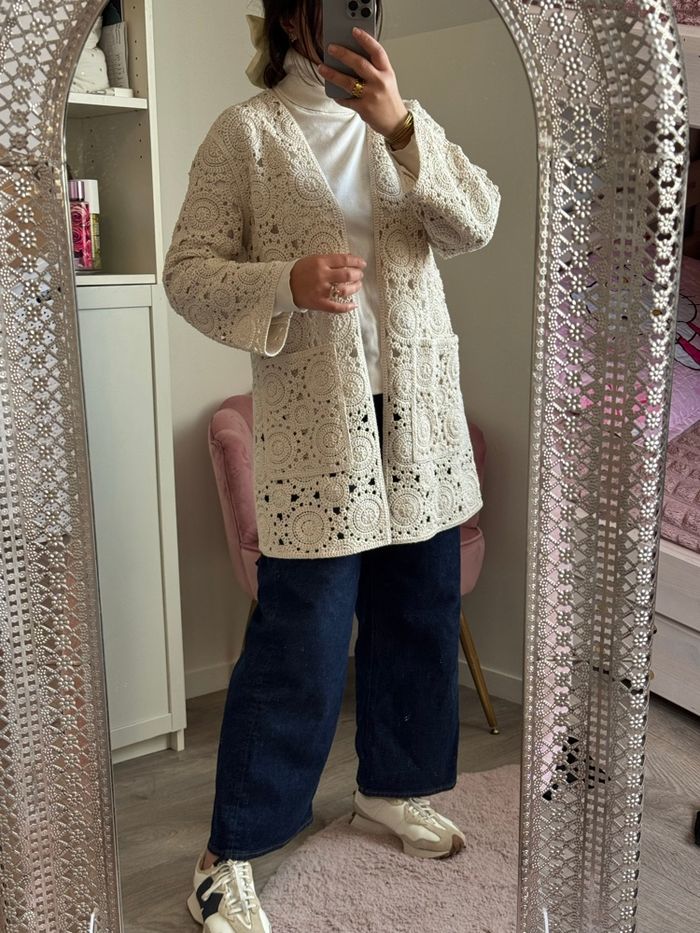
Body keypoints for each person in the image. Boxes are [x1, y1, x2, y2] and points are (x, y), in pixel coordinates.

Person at [163, 2, 501, 930]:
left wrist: (402, 126)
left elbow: (477, 219)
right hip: (319, 430)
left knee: (419, 615)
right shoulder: (246, 134)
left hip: (419, 419)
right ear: (291, 15)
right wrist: (285, 283)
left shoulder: (400, 119)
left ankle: (391, 787)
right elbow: (187, 271)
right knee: (301, 646)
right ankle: (228, 853)